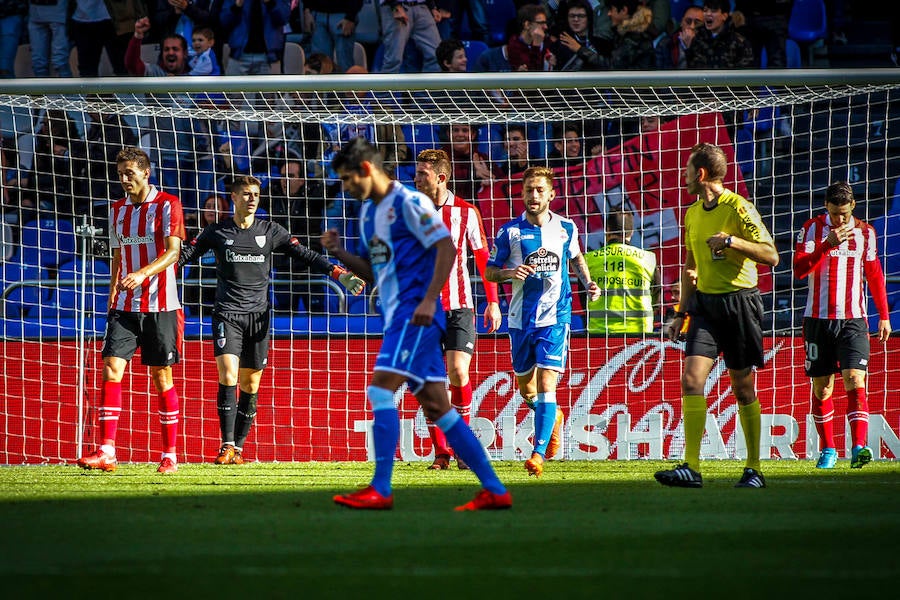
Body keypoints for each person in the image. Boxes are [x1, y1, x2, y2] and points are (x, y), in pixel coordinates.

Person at [321, 137, 512, 511]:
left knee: (380, 391)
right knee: (439, 407)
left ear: (365, 170)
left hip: (416, 315)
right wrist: (340, 253)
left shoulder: (409, 202)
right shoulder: (369, 214)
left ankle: (380, 487)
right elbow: (376, 272)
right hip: (397, 317)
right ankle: (494, 487)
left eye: (347, 179)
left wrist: (428, 298)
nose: (345, 188)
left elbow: (445, 248)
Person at [178, 175, 366, 464]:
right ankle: (226, 445)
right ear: (233, 198)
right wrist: (153, 264)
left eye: (255, 194)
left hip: (259, 316)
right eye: (245, 194)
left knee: (250, 385)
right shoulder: (216, 231)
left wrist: (337, 272)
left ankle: (238, 449)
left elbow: (305, 254)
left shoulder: (271, 231)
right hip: (227, 313)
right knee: (228, 374)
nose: (251, 199)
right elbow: (185, 255)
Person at [654, 143, 779, 489]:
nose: (683, 177)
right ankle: (691, 467)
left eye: (687, 170)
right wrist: (680, 312)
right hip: (705, 307)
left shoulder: (739, 208)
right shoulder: (692, 213)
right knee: (692, 379)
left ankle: (754, 468)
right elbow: (690, 266)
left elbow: (771, 256)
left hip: (740, 304)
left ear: (701, 174)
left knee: (742, 387)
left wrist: (732, 242)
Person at [485, 166, 601, 477]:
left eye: (539, 190)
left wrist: (588, 283)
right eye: (528, 190)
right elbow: (489, 272)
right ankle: (554, 418)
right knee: (527, 390)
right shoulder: (509, 232)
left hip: (555, 317)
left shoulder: (566, 228)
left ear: (551, 194)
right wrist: (511, 273)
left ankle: (537, 454)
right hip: (521, 319)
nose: (533, 196)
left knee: (548, 384)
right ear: (521, 194)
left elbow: (575, 257)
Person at [77, 146, 186, 474]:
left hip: (160, 304)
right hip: (124, 307)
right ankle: (107, 450)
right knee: (111, 368)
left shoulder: (168, 204)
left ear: (145, 173)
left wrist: (142, 273)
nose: (124, 179)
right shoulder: (116, 210)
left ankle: (169, 454)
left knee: (160, 376)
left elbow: (174, 252)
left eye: (129, 173)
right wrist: (112, 295)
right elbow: (116, 255)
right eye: (120, 174)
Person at [793, 181, 892, 469]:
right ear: (826, 207)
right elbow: (799, 270)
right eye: (835, 214)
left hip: (853, 320)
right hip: (818, 320)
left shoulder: (866, 233)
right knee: (823, 388)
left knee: (855, 379)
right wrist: (827, 245)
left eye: (845, 214)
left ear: (853, 208)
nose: (840, 220)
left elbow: (874, 275)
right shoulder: (812, 229)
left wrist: (883, 315)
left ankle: (859, 448)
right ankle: (828, 450)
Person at [413, 149, 502, 470]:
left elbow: (482, 258)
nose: (416, 178)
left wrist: (492, 301)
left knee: (458, 372)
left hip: (459, 305)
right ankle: (442, 453)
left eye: (422, 173)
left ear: (441, 177)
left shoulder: (466, 212)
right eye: (416, 172)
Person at [585, 209, 659, 334]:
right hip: (640, 331)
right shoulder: (648, 259)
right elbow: (657, 295)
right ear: (631, 232)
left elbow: (584, 296)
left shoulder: (589, 259)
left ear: (607, 229)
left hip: (600, 332)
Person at [378, 0, 442, 73]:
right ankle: (386, 84)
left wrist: (432, 6)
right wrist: (395, 5)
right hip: (396, 6)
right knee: (393, 60)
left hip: (422, 6)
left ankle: (428, 84)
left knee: (436, 55)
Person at [303, 0, 361, 73]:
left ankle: (347, 84)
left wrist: (351, 16)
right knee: (319, 64)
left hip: (343, 15)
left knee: (344, 63)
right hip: (317, 15)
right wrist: (307, 9)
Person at [605, 0, 655, 70]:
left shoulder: (635, 37)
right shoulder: (623, 33)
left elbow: (615, 65)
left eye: (611, 10)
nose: (609, 14)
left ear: (624, 10)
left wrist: (587, 53)